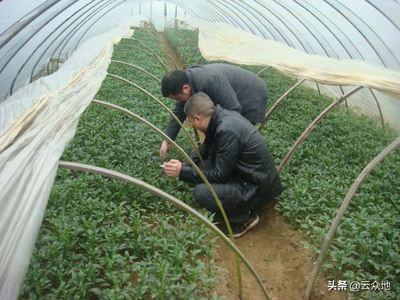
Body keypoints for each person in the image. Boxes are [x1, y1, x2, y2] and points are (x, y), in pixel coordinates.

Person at [162, 92, 282, 238]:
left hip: (255, 187)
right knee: (201, 167)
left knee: (201, 192)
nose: (192, 125)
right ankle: (237, 208)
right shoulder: (220, 118)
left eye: (190, 121)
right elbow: (205, 148)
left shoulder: (227, 131)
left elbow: (219, 174)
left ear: (198, 119)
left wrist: (183, 172)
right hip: (246, 174)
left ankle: (242, 218)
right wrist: (186, 164)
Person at [160, 63, 269, 158]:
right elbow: (179, 111)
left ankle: (242, 164)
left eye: (177, 98)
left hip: (251, 95)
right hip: (234, 93)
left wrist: (219, 139)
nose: (178, 101)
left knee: (240, 132)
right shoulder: (187, 80)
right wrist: (167, 140)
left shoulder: (208, 80)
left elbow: (232, 110)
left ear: (185, 88)